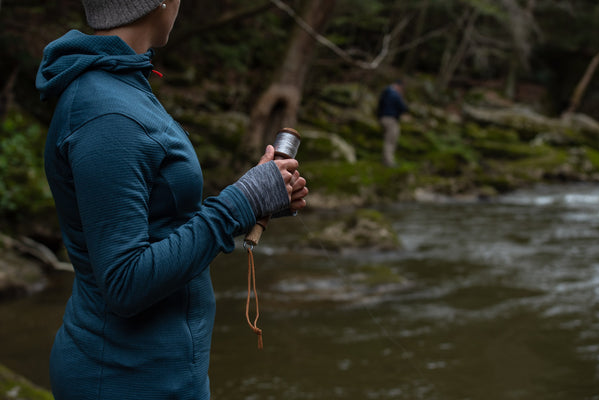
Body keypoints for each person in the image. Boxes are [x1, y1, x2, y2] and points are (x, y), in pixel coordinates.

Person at [35, 1, 308, 399]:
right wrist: (241, 202)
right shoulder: (107, 114)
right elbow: (125, 282)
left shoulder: (124, 84)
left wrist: (261, 195)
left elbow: (162, 218)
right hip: (121, 379)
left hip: (168, 374)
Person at [376, 80, 409, 167]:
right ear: (398, 86)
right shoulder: (395, 94)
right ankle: (388, 161)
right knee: (391, 140)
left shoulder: (385, 92)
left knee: (388, 140)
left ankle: (386, 159)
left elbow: (380, 105)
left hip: (383, 118)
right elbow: (403, 107)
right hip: (391, 119)